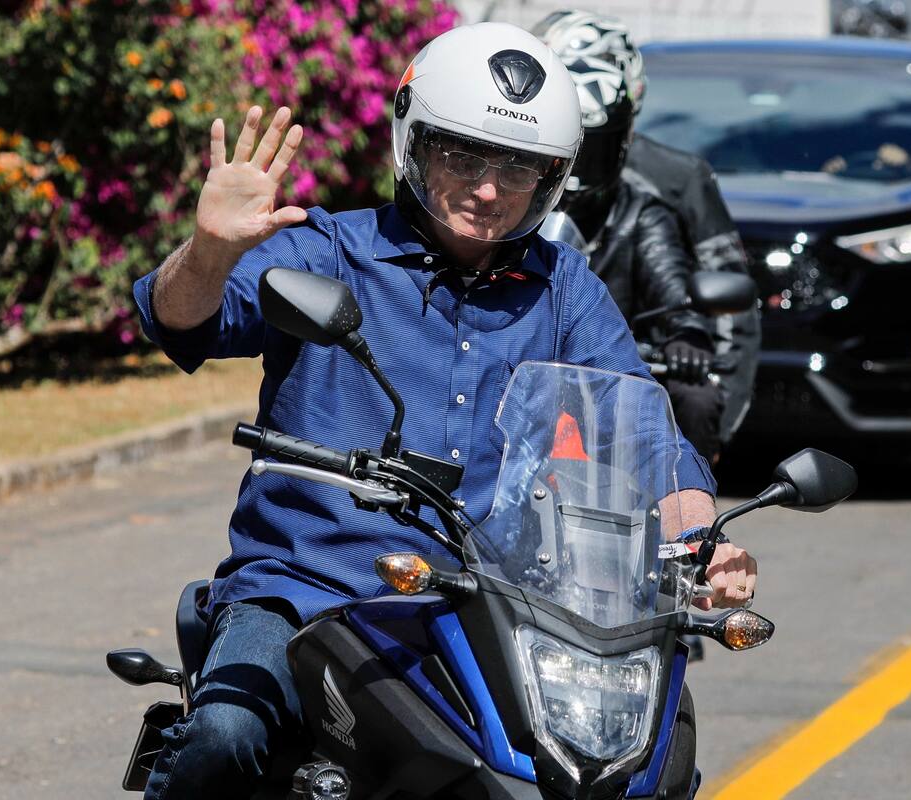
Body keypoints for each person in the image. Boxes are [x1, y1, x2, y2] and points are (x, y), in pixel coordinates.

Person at [132, 21, 757, 799]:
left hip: (486, 614)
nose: (488, 189)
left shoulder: (566, 291)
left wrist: (698, 538)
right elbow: (181, 320)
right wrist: (210, 249)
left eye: (518, 167)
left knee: (631, 762)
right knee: (228, 734)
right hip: (310, 589)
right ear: (414, 144)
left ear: (552, 178)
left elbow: (646, 434)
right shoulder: (331, 250)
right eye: (461, 155)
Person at [534, 9, 761, 464]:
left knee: (690, 405)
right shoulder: (509, 187)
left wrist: (692, 339)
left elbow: (701, 292)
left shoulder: (657, 194)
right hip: (531, 366)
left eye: (591, 146)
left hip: (625, 371)